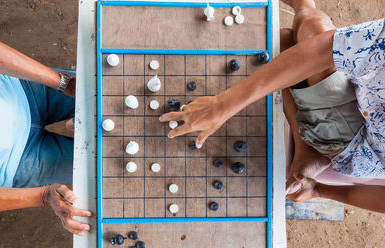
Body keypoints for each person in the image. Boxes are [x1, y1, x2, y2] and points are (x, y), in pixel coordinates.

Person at [160, 0, 385, 212]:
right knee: (307, 29)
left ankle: (307, 148)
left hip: (357, 148)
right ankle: (303, 6)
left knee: (287, 42)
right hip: (366, 87)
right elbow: (324, 49)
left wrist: (319, 190)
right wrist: (223, 105)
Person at [0, 35, 92, 235]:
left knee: (124, 94)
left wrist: (63, 83)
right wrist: (43, 196)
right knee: (116, 161)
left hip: (19, 89)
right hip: (15, 166)